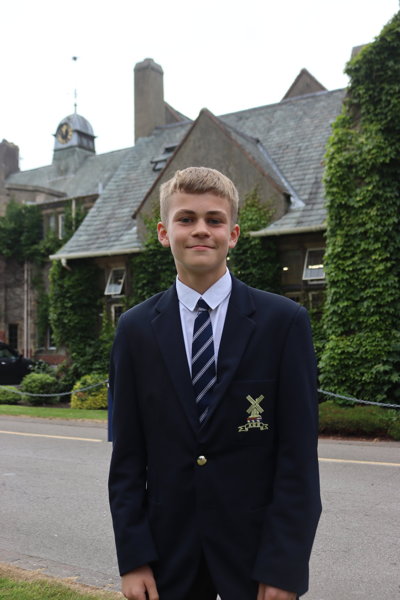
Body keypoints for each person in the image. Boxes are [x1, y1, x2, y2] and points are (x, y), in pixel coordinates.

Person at [108, 167, 321, 600]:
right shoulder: (134, 330)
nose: (201, 230)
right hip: (167, 556)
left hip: (257, 556)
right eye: (186, 219)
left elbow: (298, 459)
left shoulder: (283, 323)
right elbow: (128, 460)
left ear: (234, 233)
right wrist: (134, 559)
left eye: (214, 220)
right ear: (164, 233)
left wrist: (284, 566)